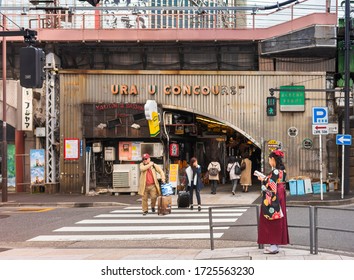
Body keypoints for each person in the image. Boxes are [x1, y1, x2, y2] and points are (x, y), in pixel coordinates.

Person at [256, 149, 289, 254]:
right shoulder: (282, 171)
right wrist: (266, 179)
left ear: (273, 159)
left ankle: (274, 245)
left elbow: (271, 185)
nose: (269, 161)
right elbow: (275, 182)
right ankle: (276, 244)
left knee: (272, 219)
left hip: (274, 197)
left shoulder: (275, 171)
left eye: (269, 159)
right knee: (278, 218)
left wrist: (263, 180)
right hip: (280, 195)